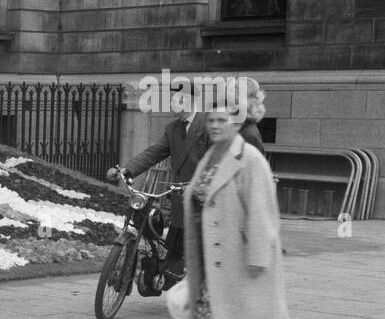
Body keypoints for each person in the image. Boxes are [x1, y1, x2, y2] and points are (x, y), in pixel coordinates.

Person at [176, 104, 294, 319]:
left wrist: (258, 256)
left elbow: (261, 209)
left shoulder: (249, 158)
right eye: (211, 120)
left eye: (222, 121)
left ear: (236, 124)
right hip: (211, 252)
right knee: (229, 312)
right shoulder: (212, 155)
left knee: (225, 312)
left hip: (237, 252)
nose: (215, 125)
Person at [107, 80, 267, 272]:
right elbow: (154, 152)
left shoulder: (210, 124)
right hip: (179, 199)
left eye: (174, 98)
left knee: (197, 257)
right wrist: (127, 170)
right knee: (172, 251)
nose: (170, 102)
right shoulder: (173, 128)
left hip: (203, 201)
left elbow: (219, 160)